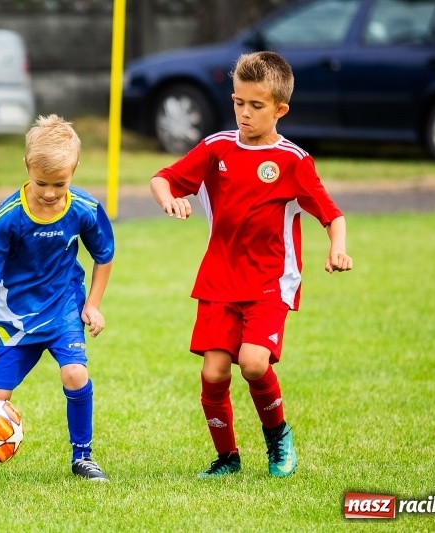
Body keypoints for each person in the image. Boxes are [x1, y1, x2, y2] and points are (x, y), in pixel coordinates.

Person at [150, 51, 353, 479]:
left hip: (269, 281)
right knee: (213, 373)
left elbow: (332, 215)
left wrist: (337, 248)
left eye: (256, 106)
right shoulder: (215, 148)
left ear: (280, 109)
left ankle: (278, 437)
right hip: (219, 280)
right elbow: (162, 177)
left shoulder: (293, 161)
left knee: (254, 363)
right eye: (239, 102)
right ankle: (227, 459)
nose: (244, 112)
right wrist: (169, 197)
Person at [0, 115, 115, 481]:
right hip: (14, 318)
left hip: (64, 308)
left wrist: (92, 304)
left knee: (74, 372)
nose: (50, 193)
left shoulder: (84, 209)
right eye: (41, 183)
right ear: (26, 167)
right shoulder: (6, 219)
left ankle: (82, 456)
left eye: (60, 183)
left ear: (74, 169)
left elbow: (104, 255)